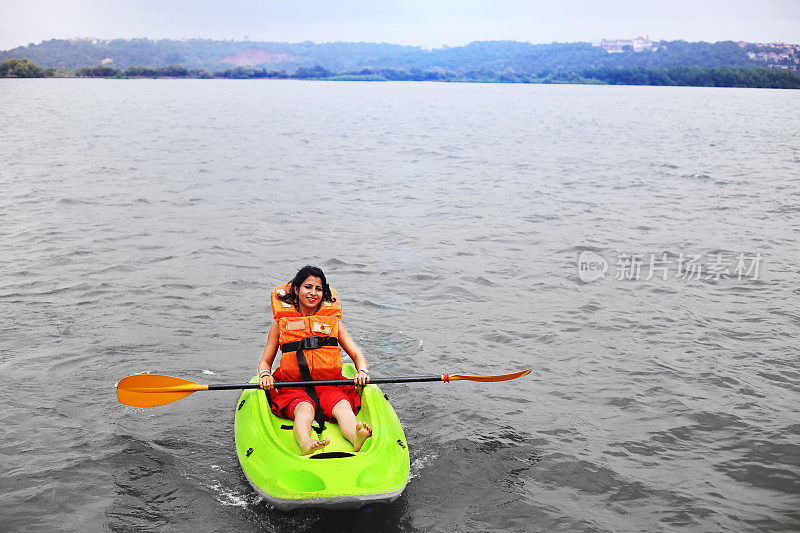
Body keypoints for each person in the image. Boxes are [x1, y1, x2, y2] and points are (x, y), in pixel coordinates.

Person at [258, 265, 373, 455]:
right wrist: (265, 375)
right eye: (308, 287)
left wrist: (362, 371)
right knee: (304, 410)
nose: (313, 293)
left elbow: (356, 354)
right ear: (296, 289)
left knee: (343, 407)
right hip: (294, 387)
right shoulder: (280, 324)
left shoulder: (334, 322)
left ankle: (356, 436)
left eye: (318, 289)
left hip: (328, 384)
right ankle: (305, 441)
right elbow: (265, 362)